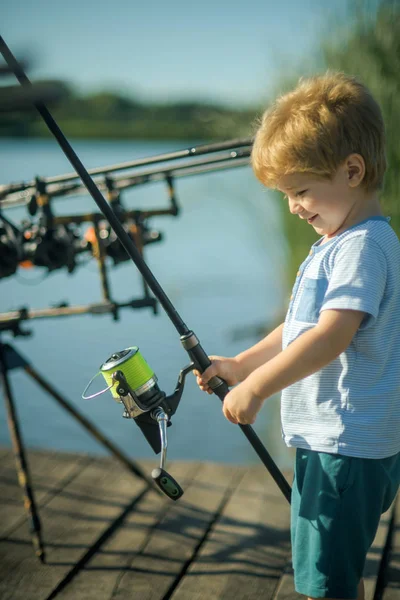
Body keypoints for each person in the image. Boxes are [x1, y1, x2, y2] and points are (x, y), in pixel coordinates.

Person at [194, 72, 400, 600]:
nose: (293, 206)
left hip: (346, 445)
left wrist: (258, 387)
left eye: (301, 190)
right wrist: (243, 364)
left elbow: (331, 337)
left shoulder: (361, 246)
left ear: (351, 170)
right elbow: (301, 326)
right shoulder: (339, 241)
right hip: (335, 441)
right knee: (331, 569)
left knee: (326, 582)